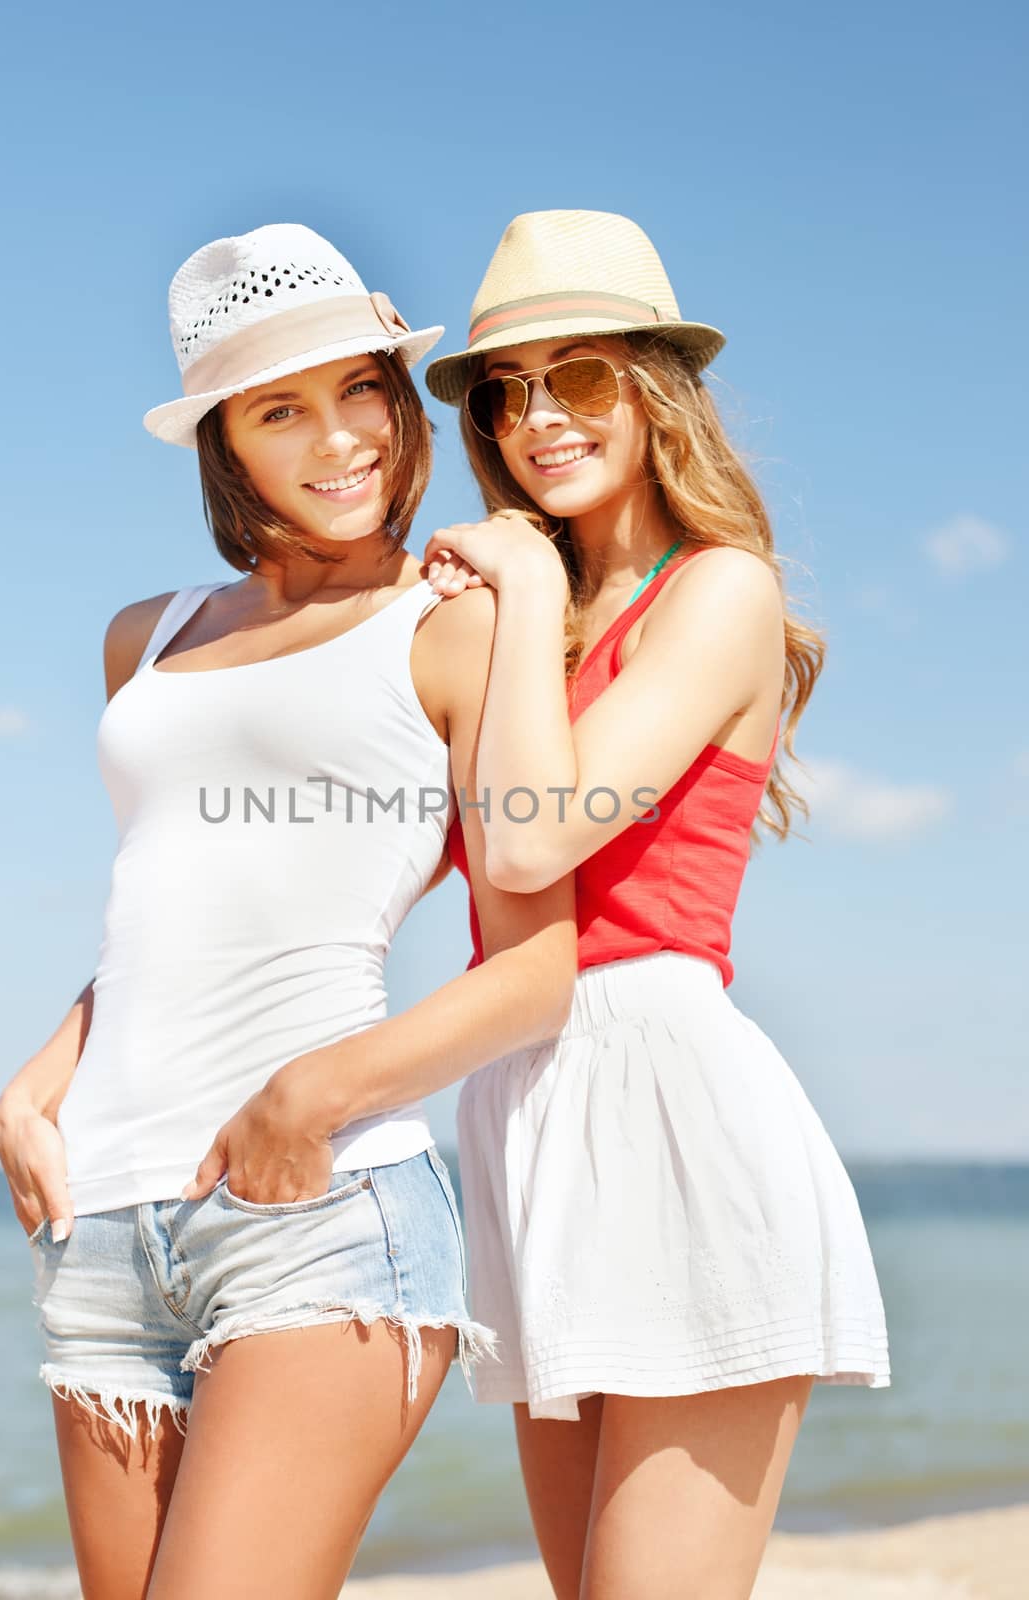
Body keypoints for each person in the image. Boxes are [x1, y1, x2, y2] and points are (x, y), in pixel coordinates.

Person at [0, 222, 576, 1600]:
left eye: (361, 389)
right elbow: (177, 912)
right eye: (279, 409)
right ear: (225, 445)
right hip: (104, 1224)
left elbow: (538, 966)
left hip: (318, 1215)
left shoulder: (452, 624)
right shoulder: (147, 633)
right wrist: (39, 1082)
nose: (339, 439)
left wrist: (309, 1097)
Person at [418, 209, 891, 1600]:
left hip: (666, 1097)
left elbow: (533, 837)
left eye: (578, 376)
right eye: (510, 391)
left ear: (654, 389)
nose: (536, 418)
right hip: (524, 1106)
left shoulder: (721, 590)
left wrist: (505, 581)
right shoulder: (529, 619)